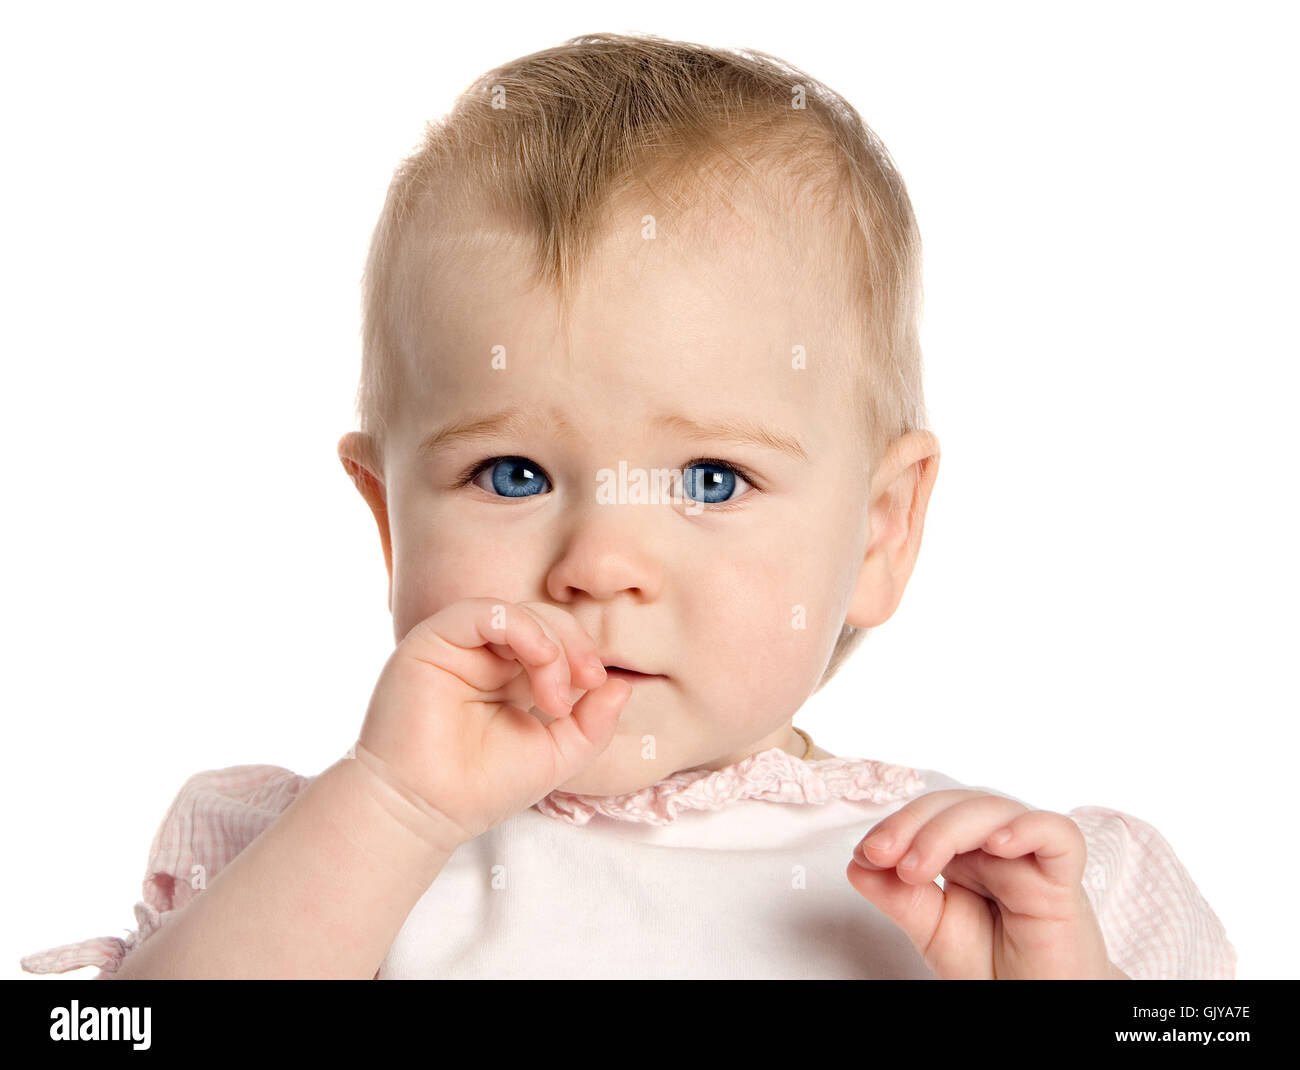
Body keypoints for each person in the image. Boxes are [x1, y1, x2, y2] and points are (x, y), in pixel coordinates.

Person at [20, 31, 1234, 980]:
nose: (599, 563)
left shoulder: (1003, 885)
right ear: (389, 520)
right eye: (513, 475)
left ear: (878, 529)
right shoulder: (316, 857)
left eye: (712, 479)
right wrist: (391, 808)